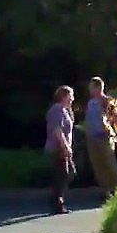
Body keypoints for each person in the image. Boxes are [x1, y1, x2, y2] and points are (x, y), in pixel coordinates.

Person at [83, 77, 117, 196]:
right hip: (92, 137)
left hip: (104, 136)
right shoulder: (90, 103)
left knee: (109, 163)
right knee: (97, 164)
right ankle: (106, 190)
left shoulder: (108, 101)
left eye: (91, 87)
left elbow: (115, 119)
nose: (89, 90)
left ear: (98, 87)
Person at [44, 85, 76, 215]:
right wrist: (65, 146)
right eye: (70, 96)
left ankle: (55, 198)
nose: (72, 99)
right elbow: (57, 130)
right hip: (57, 148)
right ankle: (57, 201)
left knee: (64, 174)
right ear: (63, 96)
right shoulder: (56, 110)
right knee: (62, 175)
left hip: (61, 148)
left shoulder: (64, 110)